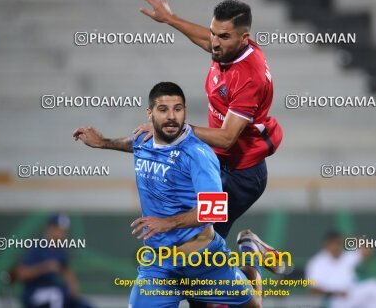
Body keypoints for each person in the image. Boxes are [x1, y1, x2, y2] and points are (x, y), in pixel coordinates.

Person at [74, 82, 286, 307]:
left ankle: (249, 254)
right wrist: (103, 142)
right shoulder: (143, 140)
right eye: (163, 110)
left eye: (178, 109)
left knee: (254, 305)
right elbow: (132, 144)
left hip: (204, 262)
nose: (171, 116)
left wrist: (168, 223)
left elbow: (215, 211)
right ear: (150, 114)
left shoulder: (198, 154)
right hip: (159, 267)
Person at [133, 0, 283, 240]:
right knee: (195, 244)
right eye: (214, 32)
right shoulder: (227, 49)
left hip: (240, 175)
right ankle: (250, 251)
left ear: (244, 38)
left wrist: (173, 126)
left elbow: (226, 138)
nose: (214, 42)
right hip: (218, 163)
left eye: (223, 36)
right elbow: (207, 39)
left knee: (202, 244)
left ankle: (250, 257)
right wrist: (170, 18)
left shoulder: (248, 77)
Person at [305, 231, 376, 308]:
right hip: (335, 301)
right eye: (333, 244)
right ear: (327, 244)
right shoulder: (317, 262)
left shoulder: (347, 256)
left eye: (338, 243)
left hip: (353, 295)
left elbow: (368, 249)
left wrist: (348, 237)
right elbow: (314, 289)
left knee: (375, 304)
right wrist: (335, 293)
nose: (336, 247)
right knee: (374, 286)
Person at [14, 213, 92, 308]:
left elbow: (65, 269)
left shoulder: (59, 249)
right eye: (59, 229)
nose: (62, 234)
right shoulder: (37, 247)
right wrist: (44, 267)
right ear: (51, 228)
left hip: (53, 289)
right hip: (33, 293)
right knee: (57, 295)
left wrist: (73, 285)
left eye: (64, 231)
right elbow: (22, 273)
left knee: (83, 305)